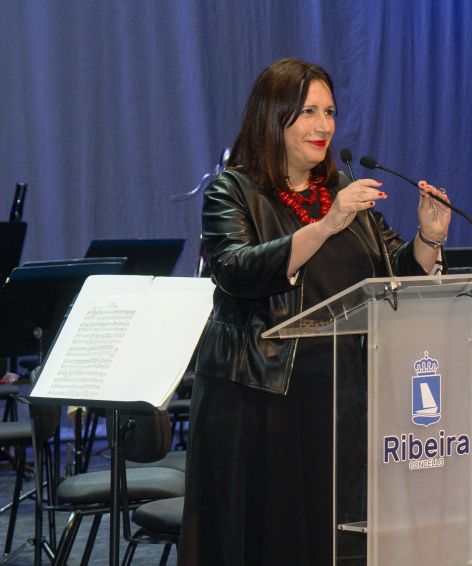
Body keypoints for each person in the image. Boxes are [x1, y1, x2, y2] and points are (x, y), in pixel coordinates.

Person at [178, 58, 451, 565]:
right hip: (261, 398)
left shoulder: (341, 189)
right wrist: (326, 224)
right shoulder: (233, 190)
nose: (323, 125)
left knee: (336, 538)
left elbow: (392, 271)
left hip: (342, 394)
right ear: (273, 116)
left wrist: (428, 241)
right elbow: (237, 270)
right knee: (272, 539)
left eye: (329, 111)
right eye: (307, 111)